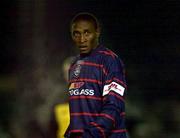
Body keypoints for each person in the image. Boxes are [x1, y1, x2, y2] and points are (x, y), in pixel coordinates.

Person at [65, 12, 127, 138]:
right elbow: (79, 112)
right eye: (77, 34)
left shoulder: (110, 61)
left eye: (87, 33)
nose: (82, 39)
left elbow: (114, 107)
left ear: (97, 32)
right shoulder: (74, 65)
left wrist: (91, 134)